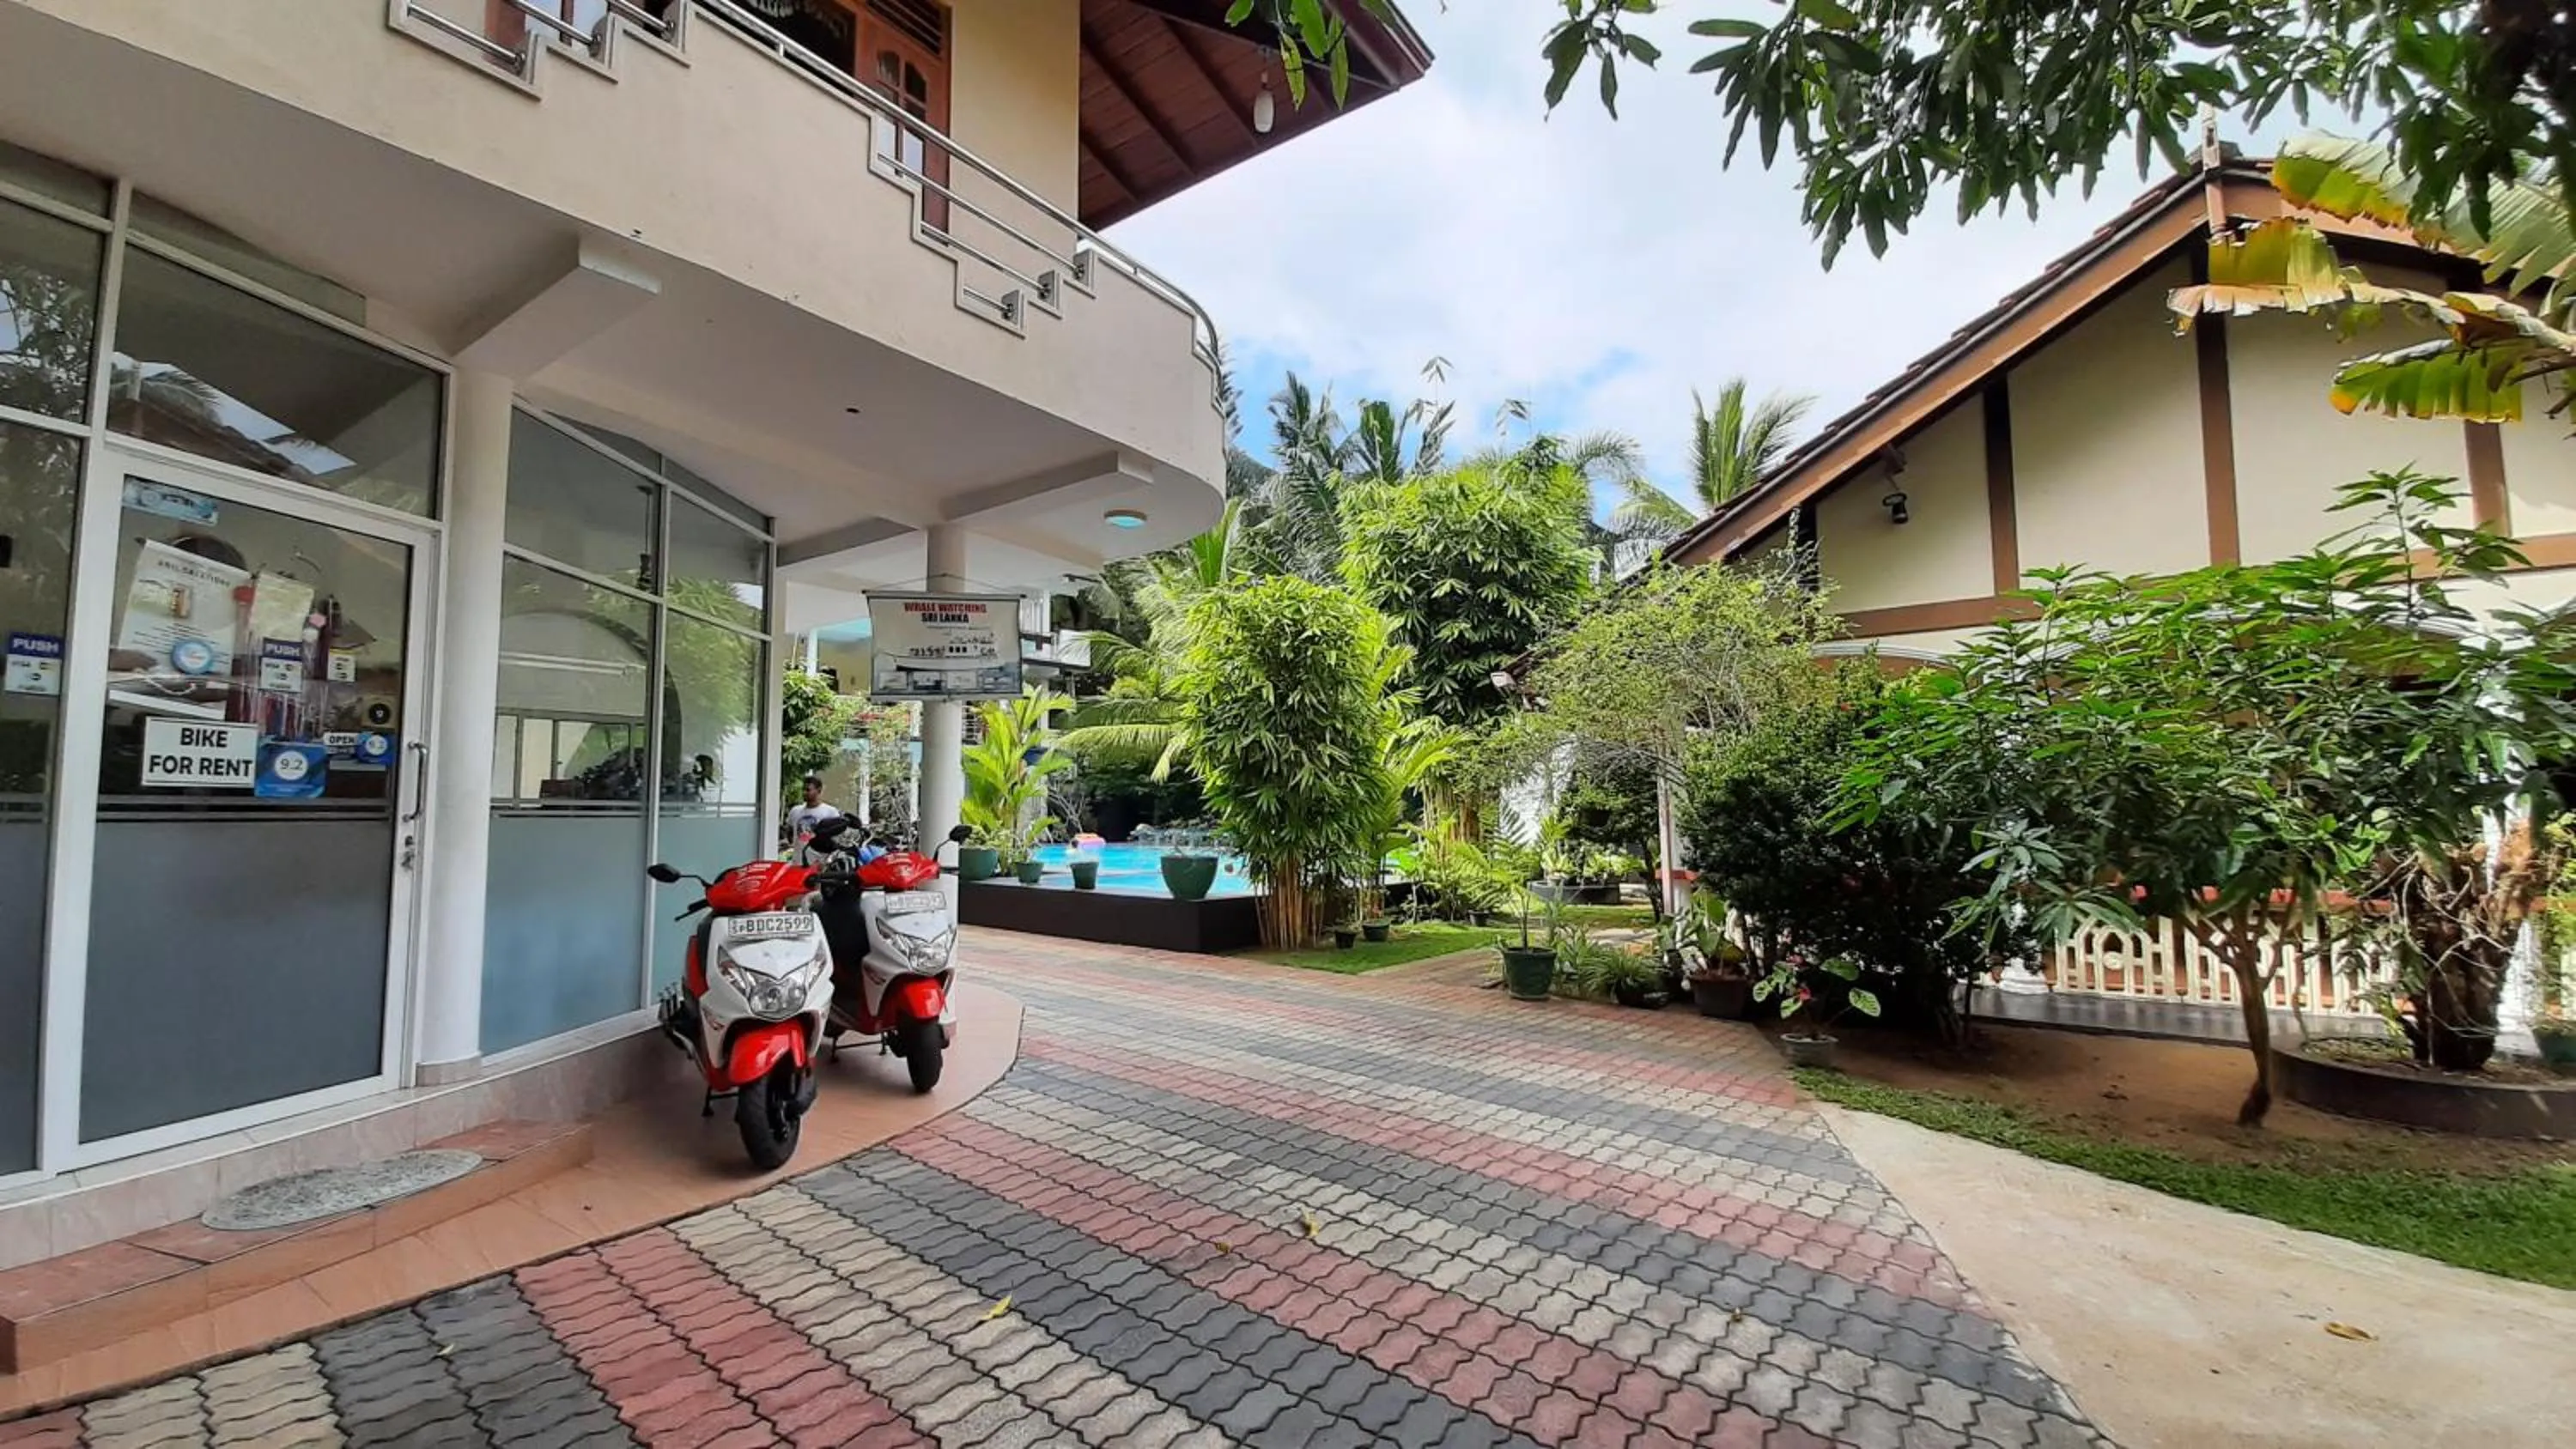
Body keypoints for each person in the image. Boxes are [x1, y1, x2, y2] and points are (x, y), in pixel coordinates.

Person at [784, 773, 841, 850]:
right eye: (803, 789)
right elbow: (790, 832)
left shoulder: (831, 812)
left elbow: (837, 838)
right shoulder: (795, 811)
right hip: (798, 856)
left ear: (819, 790)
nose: (804, 793)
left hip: (821, 856)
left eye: (808, 790)